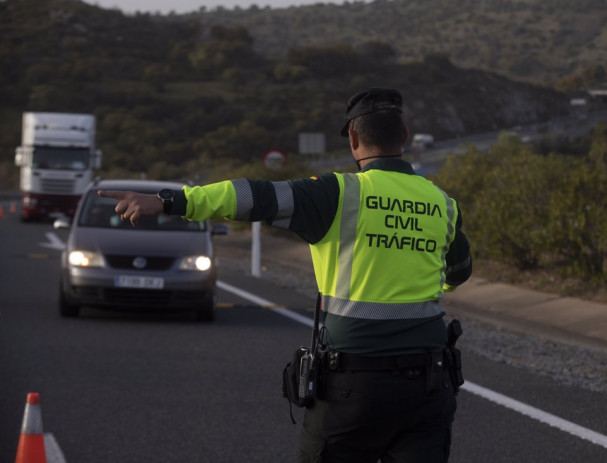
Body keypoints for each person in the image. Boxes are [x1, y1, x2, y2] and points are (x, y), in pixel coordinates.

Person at [99, 87, 472, 462]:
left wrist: (169, 201)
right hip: (428, 387)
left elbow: (251, 196)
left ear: (354, 139)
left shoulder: (337, 194)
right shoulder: (443, 204)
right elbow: (458, 273)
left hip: (354, 390)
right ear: (404, 136)